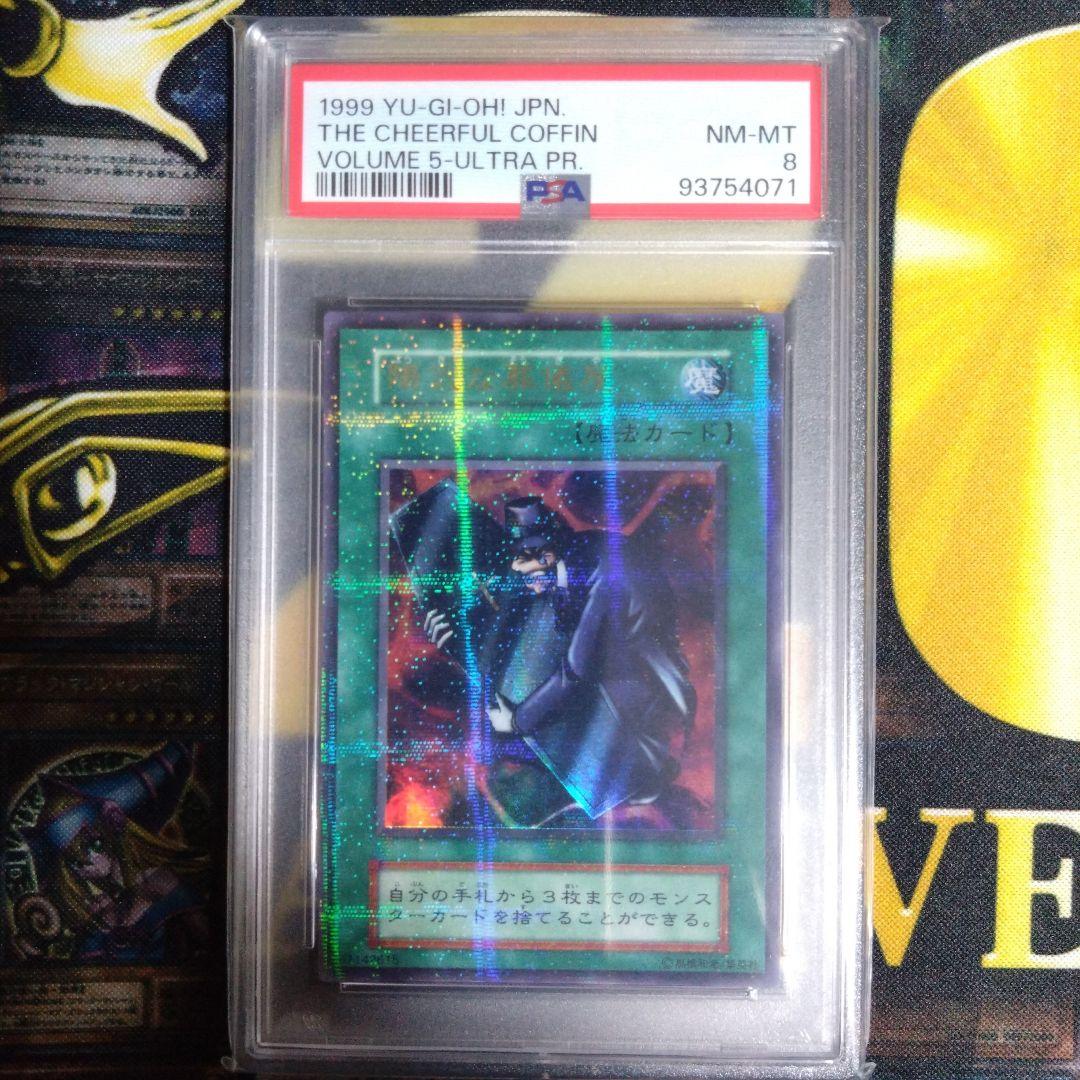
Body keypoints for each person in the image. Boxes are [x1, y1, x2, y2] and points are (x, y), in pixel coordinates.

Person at [425, 495, 696, 824]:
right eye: (520, 558)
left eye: (533, 558)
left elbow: (573, 671)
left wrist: (517, 721)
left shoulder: (603, 576)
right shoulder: (562, 569)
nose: (523, 570)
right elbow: (520, 633)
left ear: (551, 550)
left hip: (639, 669)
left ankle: (633, 775)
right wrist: (458, 640)